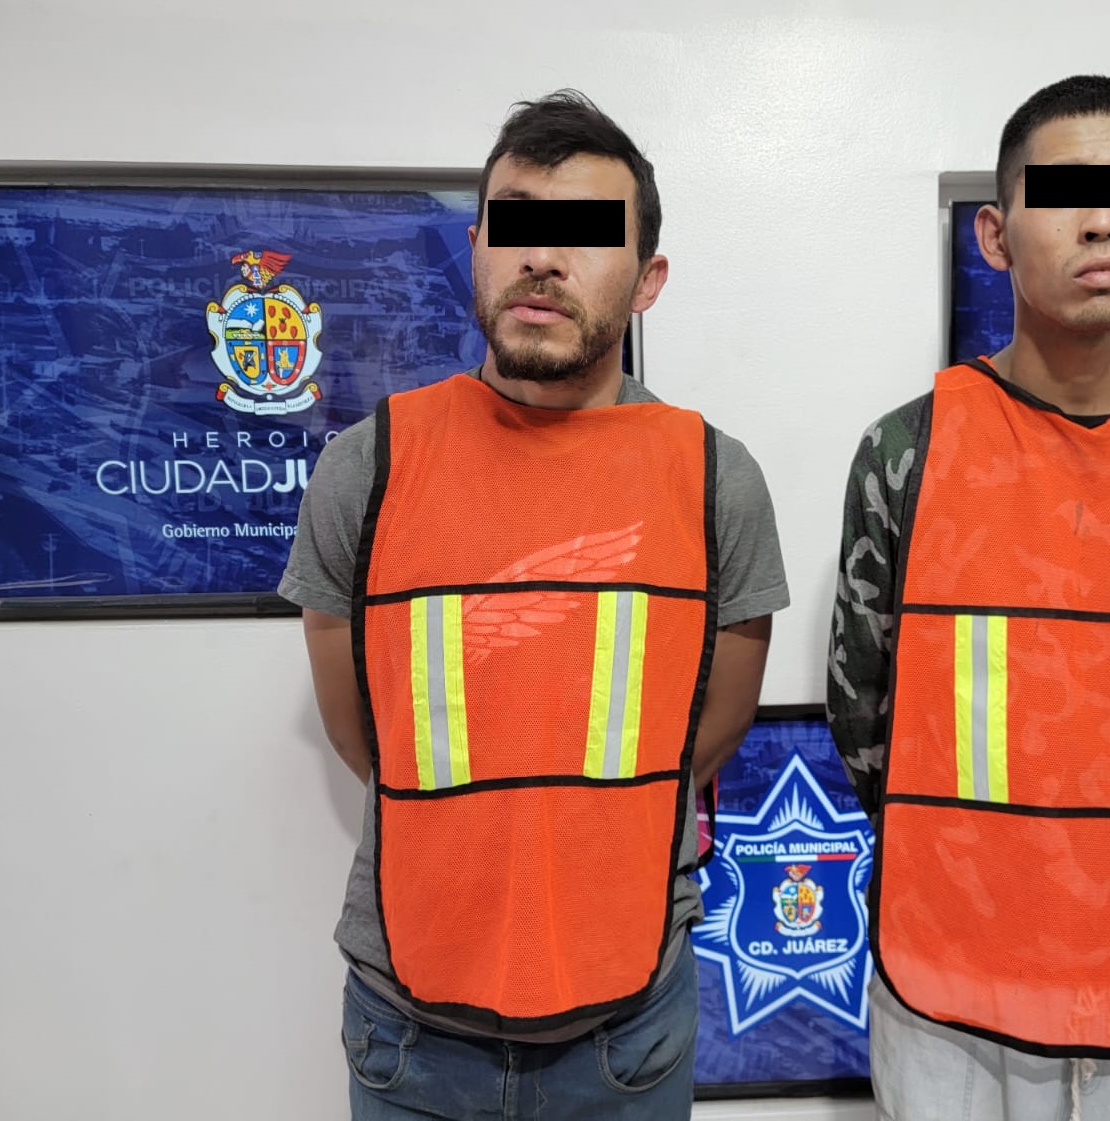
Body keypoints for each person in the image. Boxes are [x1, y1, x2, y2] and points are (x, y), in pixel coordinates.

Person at [280, 89, 789, 1120]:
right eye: (515, 225)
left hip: (629, 1028)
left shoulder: (714, 480)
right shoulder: (367, 467)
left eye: (587, 234)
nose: (544, 260)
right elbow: (365, 733)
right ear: (476, 249)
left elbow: (708, 732)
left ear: (647, 280)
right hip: (407, 1029)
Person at [826, 74, 1110, 1121]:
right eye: (1062, 196)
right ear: (994, 235)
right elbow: (864, 718)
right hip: (951, 985)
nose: (1099, 224)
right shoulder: (909, 448)